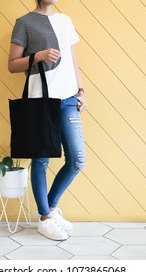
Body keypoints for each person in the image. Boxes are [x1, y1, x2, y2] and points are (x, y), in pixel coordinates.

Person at [8, 0, 87, 241]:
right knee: (40, 160)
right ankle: (44, 218)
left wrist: (81, 90)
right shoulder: (24, 23)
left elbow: (72, 61)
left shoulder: (65, 20)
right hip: (40, 99)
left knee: (77, 159)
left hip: (68, 98)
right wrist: (38, 56)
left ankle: (50, 208)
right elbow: (12, 65)